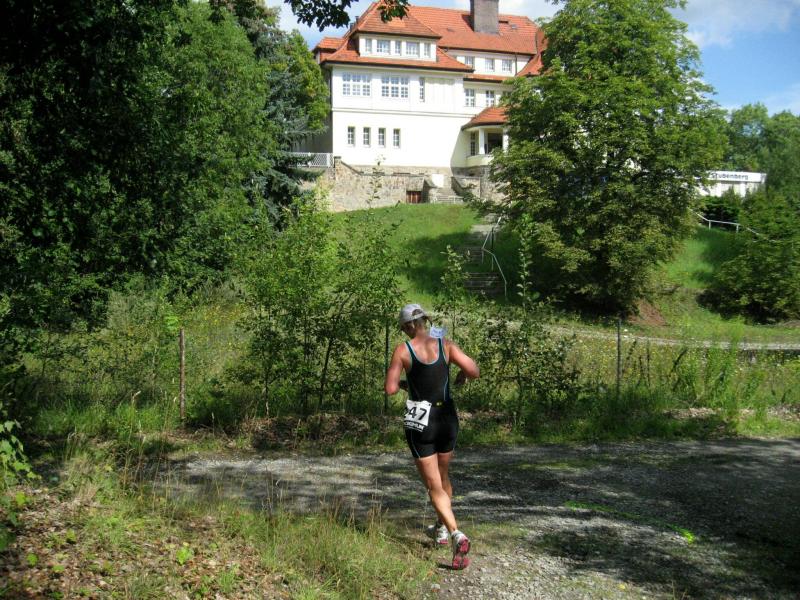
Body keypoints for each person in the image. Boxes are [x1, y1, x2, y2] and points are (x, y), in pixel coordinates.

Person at [384, 303, 480, 570]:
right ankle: (441, 528)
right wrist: (461, 375)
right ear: (424, 321)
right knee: (443, 476)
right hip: (447, 417)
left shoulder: (403, 350)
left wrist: (408, 384)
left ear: (408, 326)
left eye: (403, 328)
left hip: (421, 419)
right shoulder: (444, 343)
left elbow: (390, 389)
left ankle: (456, 533)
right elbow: (473, 370)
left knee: (433, 485)